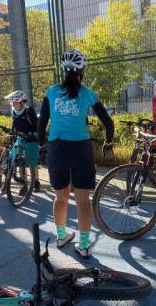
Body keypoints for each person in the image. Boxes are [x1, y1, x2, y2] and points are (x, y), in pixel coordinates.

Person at [37, 49, 114, 258]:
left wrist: (42, 145)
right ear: (82, 70)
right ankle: (84, 245)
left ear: (64, 71)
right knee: (83, 200)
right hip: (81, 149)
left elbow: (41, 123)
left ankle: (61, 237)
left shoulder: (51, 92)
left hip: (57, 149)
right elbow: (108, 123)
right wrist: (108, 142)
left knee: (60, 197)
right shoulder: (88, 93)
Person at [4, 90, 41, 192]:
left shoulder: (29, 111)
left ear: (22, 102)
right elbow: (14, 124)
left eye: (15, 103)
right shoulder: (14, 112)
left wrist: (33, 133)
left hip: (31, 139)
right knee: (19, 161)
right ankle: (23, 183)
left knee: (32, 162)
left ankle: (36, 181)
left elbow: (36, 125)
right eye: (12, 103)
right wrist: (11, 131)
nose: (13, 105)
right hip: (20, 138)